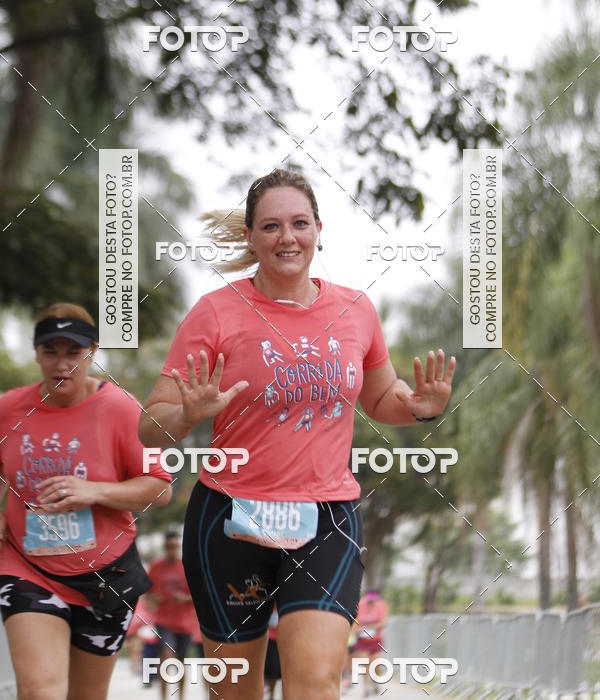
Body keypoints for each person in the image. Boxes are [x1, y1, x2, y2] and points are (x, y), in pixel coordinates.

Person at [138, 168, 456, 699]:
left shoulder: (355, 311)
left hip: (326, 518)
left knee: (313, 685)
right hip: (230, 518)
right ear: (250, 235)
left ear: (318, 229)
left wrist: (419, 408)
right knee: (236, 690)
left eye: (299, 223)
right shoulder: (216, 312)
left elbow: (380, 399)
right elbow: (151, 428)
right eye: (271, 226)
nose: (287, 237)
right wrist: (187, 412)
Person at [0, 302, 172, 700]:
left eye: (73, 353)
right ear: (36, 353)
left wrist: (94, 491)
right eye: (50, 352)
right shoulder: (9, 410)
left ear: (92, 351)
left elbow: (160, 487)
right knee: (41, 690)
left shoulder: (120, 408)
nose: (62, 364)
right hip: (28, 569)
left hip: (106, 579)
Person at [146, 530, 197, 699]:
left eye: (174, 547)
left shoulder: (187, 566)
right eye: (168, 547)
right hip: (164, 621)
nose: (171, 550)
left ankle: (181, 697)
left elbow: (199, 595)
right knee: (166, 658)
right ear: (164, 547)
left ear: (179, 547)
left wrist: (186, 598)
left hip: (184, 623)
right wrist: (154, 599)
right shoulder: (155, 567)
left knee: (180, 663)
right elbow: (147, 593)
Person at [351, 589, 389, 696]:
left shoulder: (381, 605)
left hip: (376, 639)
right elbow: (354, 621)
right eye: (370, 600)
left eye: (373, 600)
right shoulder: (360, 604)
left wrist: (369, 627)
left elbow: (383, 622)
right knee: (365, 663)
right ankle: (366, 687)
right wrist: (356, 630)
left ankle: (376, 682)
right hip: (362, 640)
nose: (371, 602)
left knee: (376, 663)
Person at [264, 604, 281, 699]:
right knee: (267, 674)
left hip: (278, 639)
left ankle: (272, 694)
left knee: (275, 674)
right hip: (268, 639)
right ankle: (269, 693)